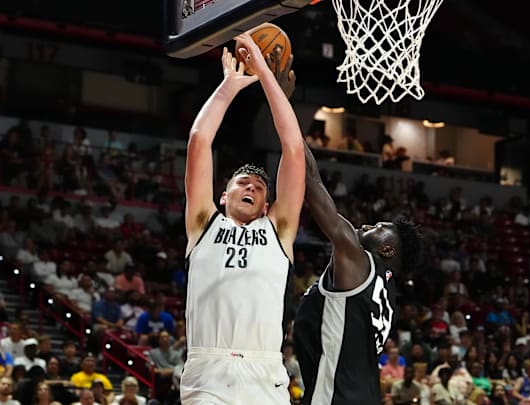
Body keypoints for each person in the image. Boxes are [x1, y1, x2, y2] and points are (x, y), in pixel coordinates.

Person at [179, 34, 304, 405]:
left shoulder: (279, 230)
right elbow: (199, 140)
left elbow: (294, 150)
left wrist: (264, 72)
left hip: (264, 372)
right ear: (222, 196)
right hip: (208, 367)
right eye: (242, 183)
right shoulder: (203, 223)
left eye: (259, 187)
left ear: (267, 205)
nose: (251, 186)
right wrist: (229, 86)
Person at [292, 123, 421, 405]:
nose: (366, 225)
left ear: (386, 249)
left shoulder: (360, 263)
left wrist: (283, 110)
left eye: (377, 227)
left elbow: (311, 181)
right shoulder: (387, 292)